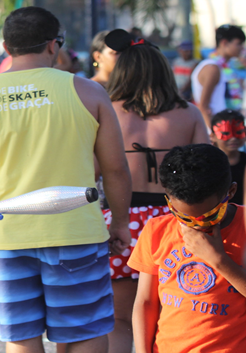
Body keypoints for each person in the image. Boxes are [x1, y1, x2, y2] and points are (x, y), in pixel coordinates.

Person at [0, 7, 132, 353]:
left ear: (6, 47)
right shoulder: (88, 92)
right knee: (85, 332)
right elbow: (115, 169)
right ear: (54, 45)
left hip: (4, 235)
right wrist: (121, 223)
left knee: (20, 337)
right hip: (76, 232)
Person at [102, 29, 209, 353]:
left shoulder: (107, 111)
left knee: (119, 322)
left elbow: (90, 169)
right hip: (172, 223)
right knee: (168, 315)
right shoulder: (188, 113)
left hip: (120, 220)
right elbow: (205, 171)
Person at [130, 144, 246, 353]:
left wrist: (219, 260)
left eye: (209, 216)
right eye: (183, 217)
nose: (197, 225)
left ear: (231, 192)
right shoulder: (157, 230)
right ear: (168, 198)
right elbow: (145, 302)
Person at [191, 24, 245, 127]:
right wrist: (213, 134)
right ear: (224, 42)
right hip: (218, 131)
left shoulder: (228, 66)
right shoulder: (212, 68)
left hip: (226, 127)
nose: (242, 48)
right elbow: (203, 106)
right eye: (239, 43)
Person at [210, 110, 246, 205]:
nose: (233, 138)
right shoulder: (208, 162)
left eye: (238, 132)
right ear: (212, 136)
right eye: (226, 134)